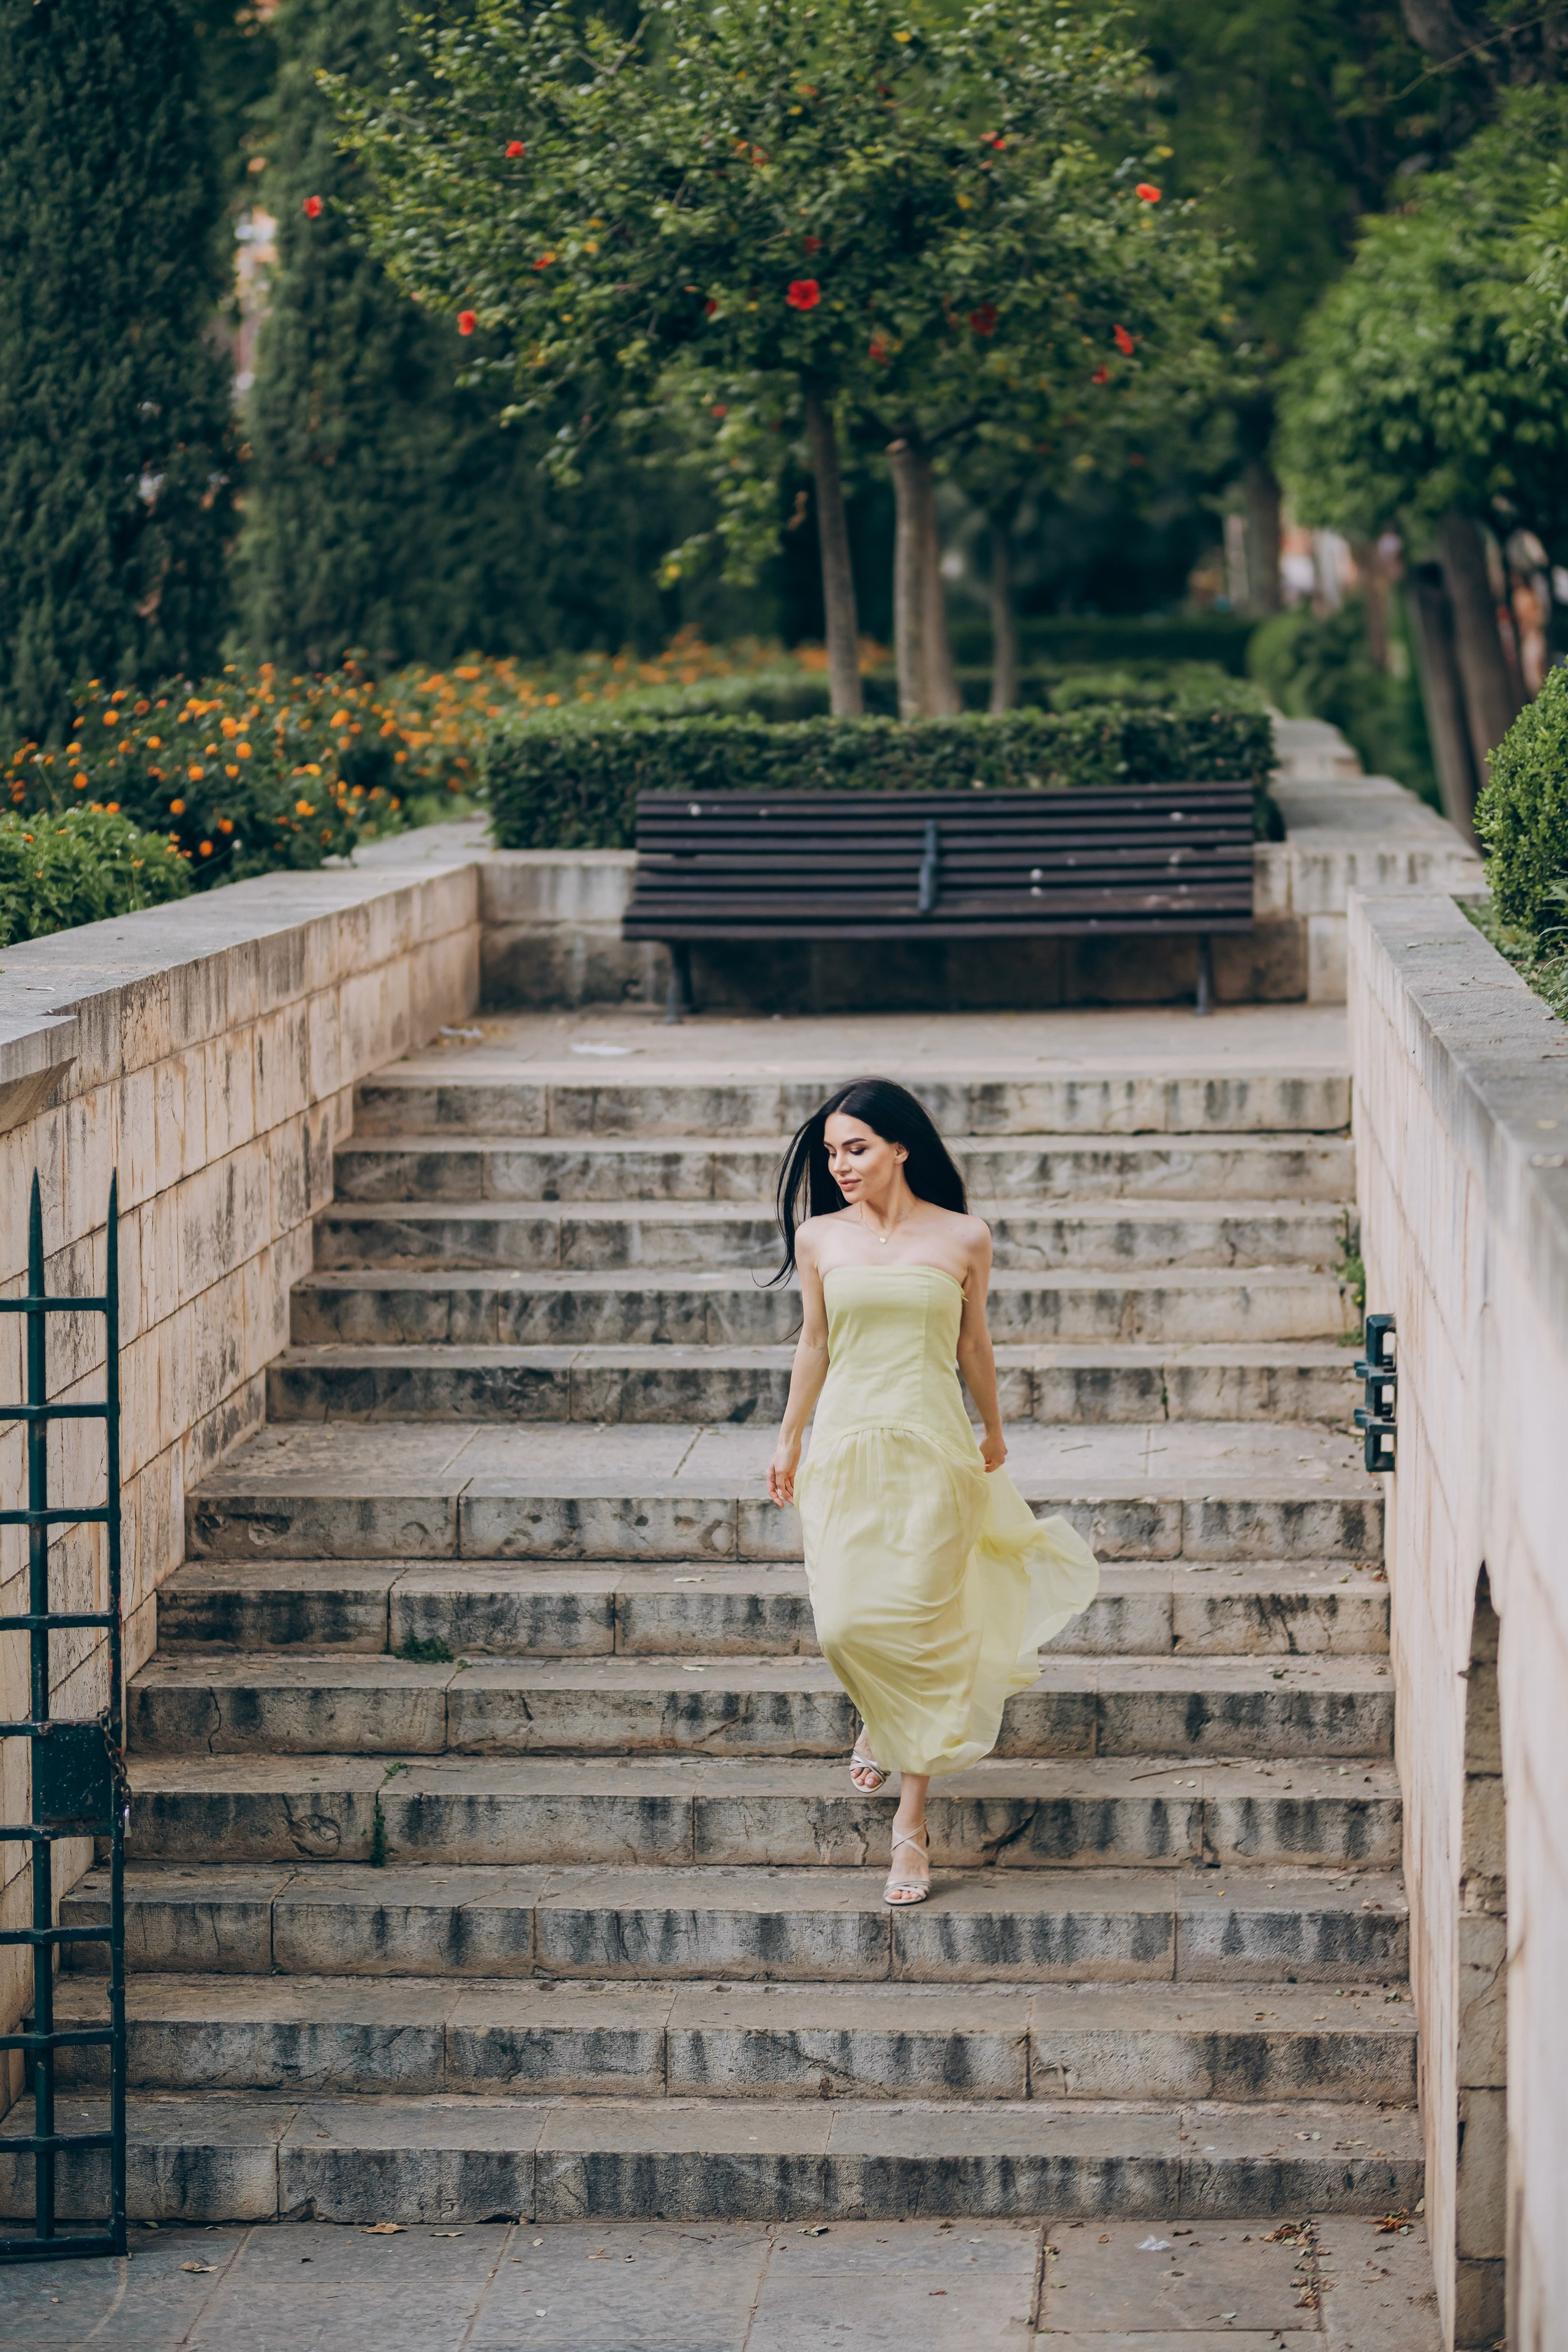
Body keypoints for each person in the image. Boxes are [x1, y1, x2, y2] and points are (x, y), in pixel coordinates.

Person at [766, 1077, 1099, 1905]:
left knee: (923, 1626)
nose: (841, 1164)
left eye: (858, 1148)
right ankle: (880, 1716)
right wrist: (787, 1435)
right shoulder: (820, 1239)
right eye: (833, 1151)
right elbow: (815, 1342)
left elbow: (974, 1345)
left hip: (935, 1452)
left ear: (901, 1147)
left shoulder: (962, 1237)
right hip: (845, 1451)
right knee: (845, 1624)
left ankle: (910, 1828)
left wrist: (993, 1429)